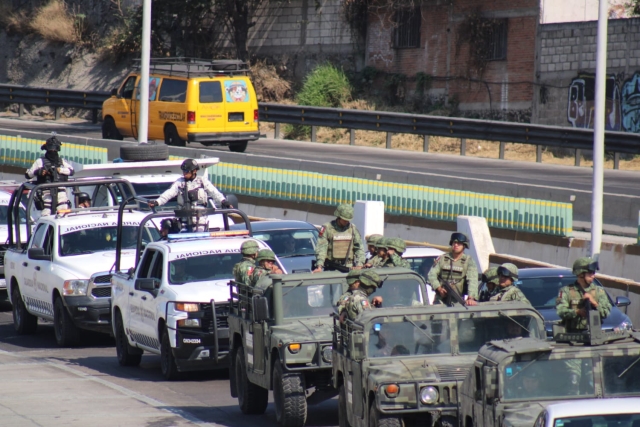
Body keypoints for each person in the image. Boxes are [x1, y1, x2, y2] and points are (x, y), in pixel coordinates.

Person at [149, 159, 230, 232]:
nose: (184, 173)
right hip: (184, 219)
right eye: (183, 171)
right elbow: (169, 193)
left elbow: (214, 192)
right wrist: (157, 202)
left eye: (186, 171)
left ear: (194, 171)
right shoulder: (179, 183)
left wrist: (223, 201)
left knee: (199, 236)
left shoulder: (202, 181)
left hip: (200, 219)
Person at [556, 257, 611, 332]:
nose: (593, 276)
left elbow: (605, 313)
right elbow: (561, 311)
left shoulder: (599, 291)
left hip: (594, 334)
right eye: (590, 273)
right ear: (581, 274)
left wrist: (594, 303)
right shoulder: (566, 291)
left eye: (593, 273)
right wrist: (577, 312)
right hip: (572, 334)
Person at [25, 133, 74, 215]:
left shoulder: (61, 161)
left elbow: (71, 171)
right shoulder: (40, 161)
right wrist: (39, 172)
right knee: (47, 212)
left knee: (63, 210)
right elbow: (28, 175)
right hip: (46, 190)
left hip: (60, 190)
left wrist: (59, 170)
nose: (53, 151)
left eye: (54, 150)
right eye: (51, 150)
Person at [428, 232, 479, 306]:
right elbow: (431, 275)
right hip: (440, 299)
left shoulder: (468, 261)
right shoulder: (442, 258)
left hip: (457, 300)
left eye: (459, 243)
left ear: (464, 246)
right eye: (454, 242)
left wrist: (471, 298)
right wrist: (439, 288)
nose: (456, 245)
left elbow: (472, 280)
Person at [313, 203, 365, 272]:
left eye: (348, 220)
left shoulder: (353, 229)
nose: (346, 222)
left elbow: (359, 248)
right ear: (339, 217)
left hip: (348, 266)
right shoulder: (328, 228)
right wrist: (319, 266)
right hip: (332, 267)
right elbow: (321, 248)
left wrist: (359, 264)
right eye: (344, 220)